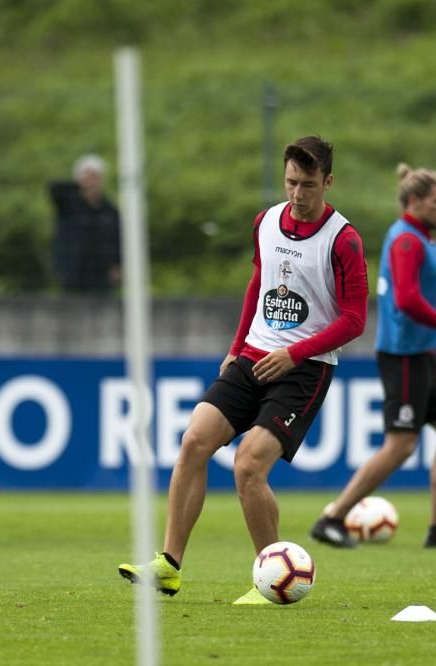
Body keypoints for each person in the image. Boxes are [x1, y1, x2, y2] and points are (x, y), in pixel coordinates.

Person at [118, 136, 369, 604]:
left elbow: (355, 320)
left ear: (328, 182)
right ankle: (169, 566)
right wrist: (236, 347)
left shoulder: (344, 241)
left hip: (304, 368)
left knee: (248, 464)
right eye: (291, 182)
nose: (297, 194)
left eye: (309, 185)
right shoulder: (267, 222)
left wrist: (295, 354)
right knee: (194, 441)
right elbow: (259, 281)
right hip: (253, 355)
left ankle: (273, 577)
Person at [310, 163, 436, 550]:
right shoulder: (406, 240)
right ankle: (332, 517)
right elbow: (405, 301)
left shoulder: (421, 238)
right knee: (401, 445)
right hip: (403, 356)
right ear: (415, 200)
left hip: (422, 353)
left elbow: (415, 300)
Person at [46, 154, 121, 293]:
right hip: (73, 269)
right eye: (88, 175)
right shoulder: (68, 203)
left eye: (95, 176)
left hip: (100, 272)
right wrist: (80, 185)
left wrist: (117, 265)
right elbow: (53, 187)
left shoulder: (109, 210)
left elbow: (116, 238)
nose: (92, 180)